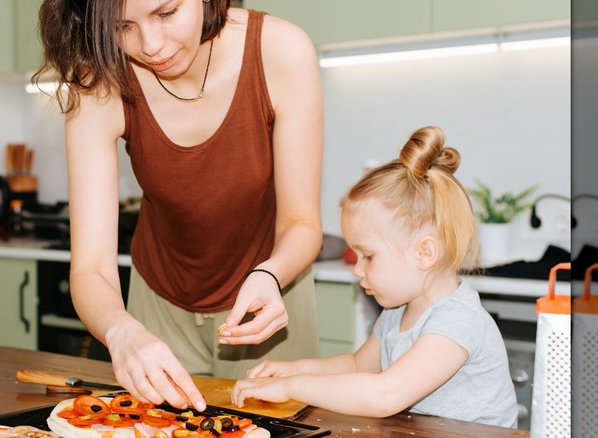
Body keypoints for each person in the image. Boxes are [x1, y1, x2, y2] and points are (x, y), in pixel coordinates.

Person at [34, 0, 323, 412]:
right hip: (158, 305)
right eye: (121, 27)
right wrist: (121, 333)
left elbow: (302, 222)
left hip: (270, 296)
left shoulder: (281, 50)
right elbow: (91, 269)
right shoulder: (100, 80)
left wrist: (270, 275)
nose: (150, 45)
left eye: (166, 13)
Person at [231, 126, 519, 428]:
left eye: (368, 256)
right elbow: (358, 366)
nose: (358, 269)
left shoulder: (457, 321)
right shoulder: (397, 312)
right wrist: (293, 371)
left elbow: (385, 395)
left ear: (424, 254)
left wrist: (289, 389)